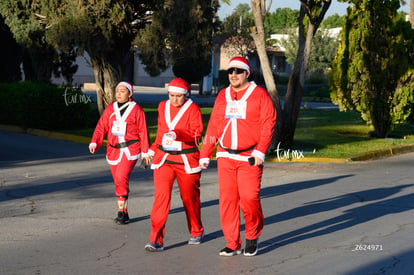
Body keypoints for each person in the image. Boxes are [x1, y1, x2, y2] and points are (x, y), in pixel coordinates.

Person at [199, 56, 276, 257]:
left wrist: (260, 151)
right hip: (225, 155)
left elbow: (269, 123)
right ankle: (232, 242)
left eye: (238, 71)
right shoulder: (223, 95)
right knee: (228, 200)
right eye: (230, 71)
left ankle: (252, 235)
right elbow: (214, 124)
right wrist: (205, 153)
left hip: (250, 156)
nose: (233, 75)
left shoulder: (259, 94)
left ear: (246, 74)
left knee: (249, 198)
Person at [144, 78, 204, 252]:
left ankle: (196, 230)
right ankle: (156, 239)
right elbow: (162, 132)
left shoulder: (193, 108)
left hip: (186, 160)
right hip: (165, 160)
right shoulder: (163, 106)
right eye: (172, 95)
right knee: (161, 200)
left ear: (185, 95)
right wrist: (151, 150)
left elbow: (197, 133)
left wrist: (177, 133)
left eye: (179, 96)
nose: (175, 99)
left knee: (189, 199)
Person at [89, 81, 150, 225]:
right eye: (117, 91)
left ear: (130, 94)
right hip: (113, 150)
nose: (119, 94)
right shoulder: (110, 108)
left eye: (122, 91)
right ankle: (125, 210)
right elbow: (101, 126)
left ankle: (121, 212)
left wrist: (145, 152)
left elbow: (143, 131)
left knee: (122, 177)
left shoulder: (137, 110)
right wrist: (94, 142)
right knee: (118, 180)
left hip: (130, 149)